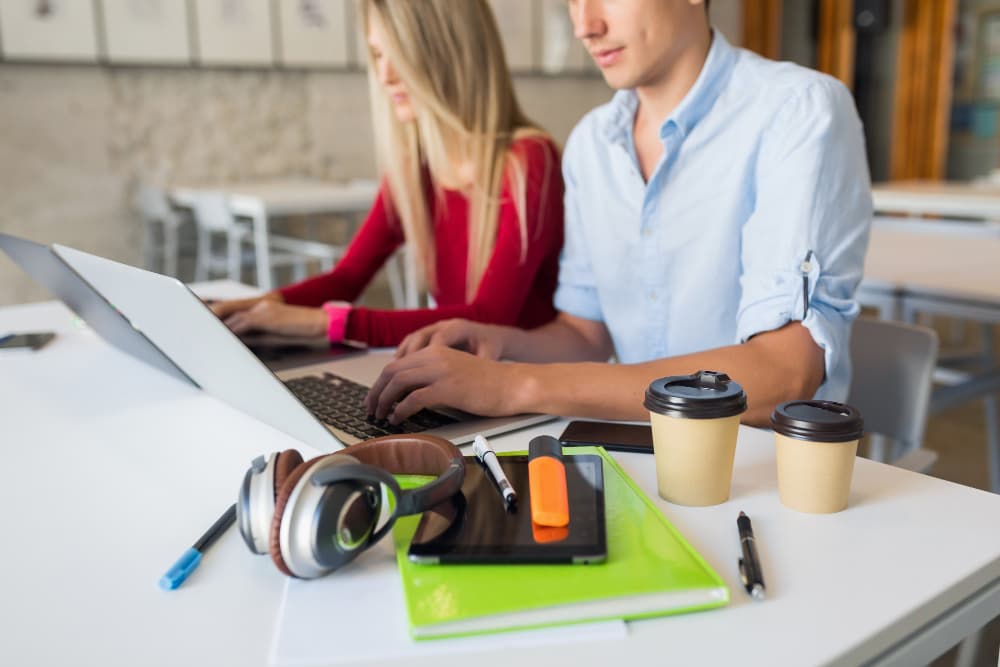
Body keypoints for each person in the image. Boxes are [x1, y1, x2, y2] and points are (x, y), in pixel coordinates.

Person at [364, 0, 872, 428]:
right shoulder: (592, 143)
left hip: (762, 474)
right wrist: (499, 344)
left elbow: (784, 374)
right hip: (636, 453)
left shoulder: (798, 111)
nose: (585, 25)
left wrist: (515, 384)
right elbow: (586, 334)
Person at [211, 0, 563, 348]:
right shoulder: (417, 167)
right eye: (378, 55)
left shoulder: (529, 161)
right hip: (462, 377)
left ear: (451, 51)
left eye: (399, 54)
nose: (385, 75)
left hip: (528, 388)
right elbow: (348, 277)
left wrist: (328, 322)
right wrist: (263, 306)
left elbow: (487, 318)